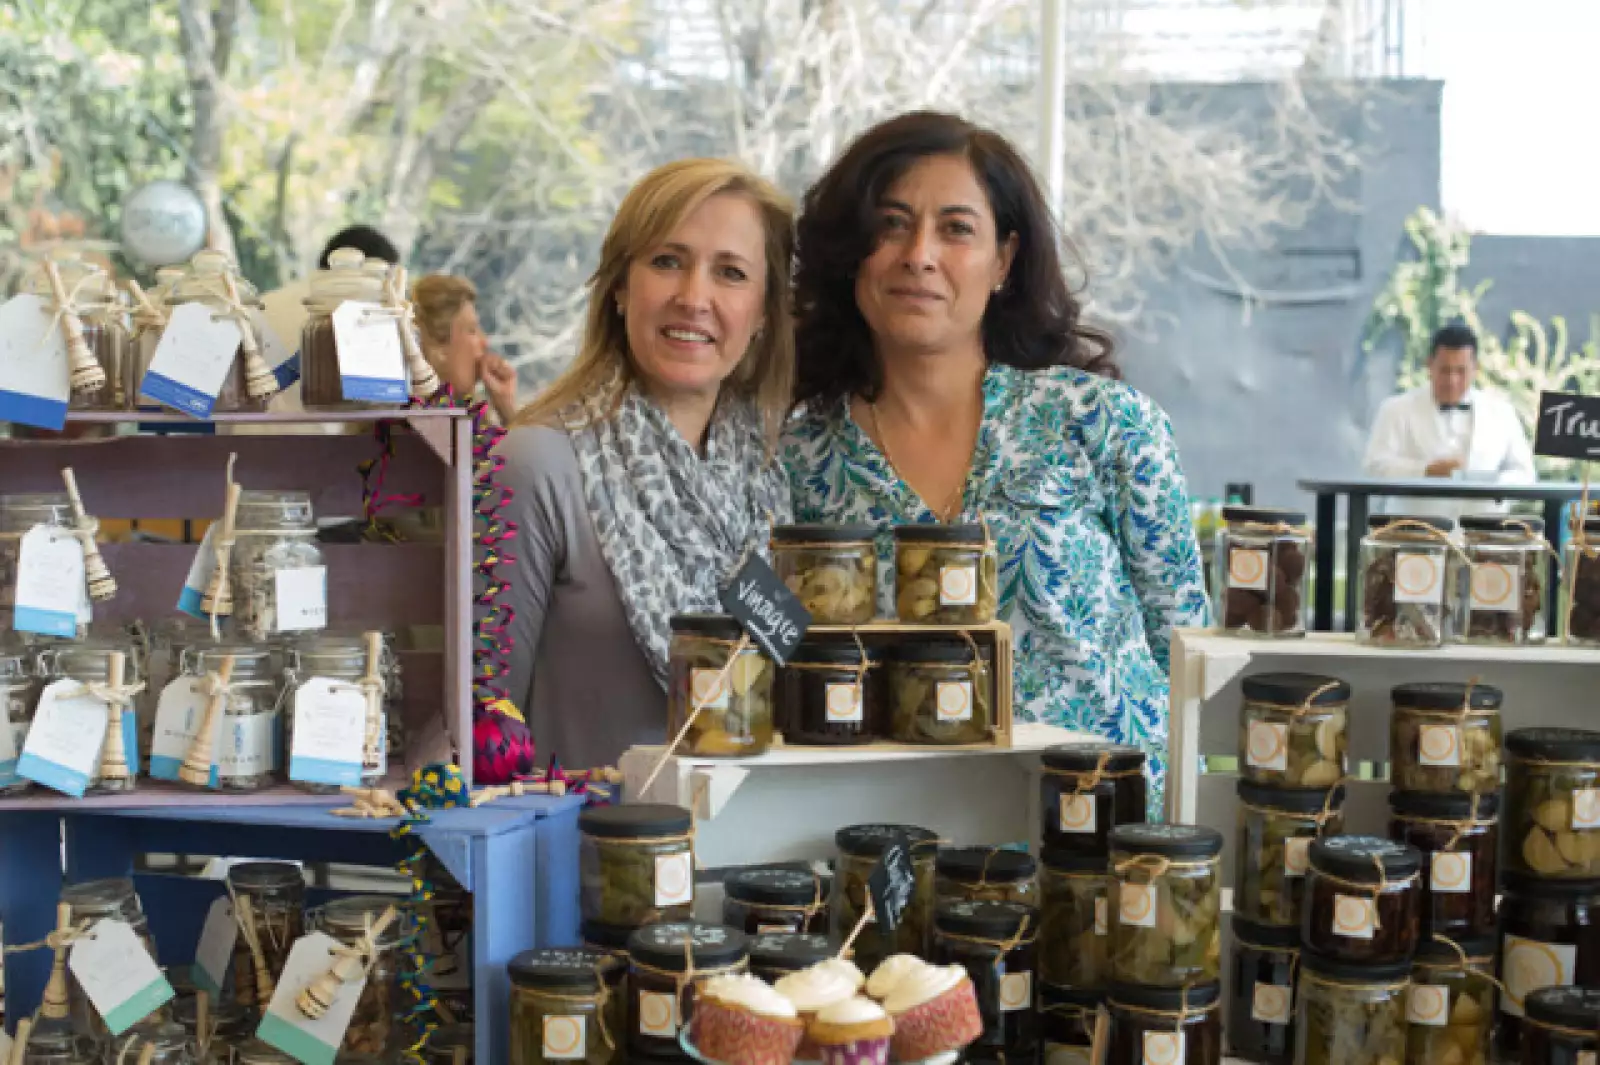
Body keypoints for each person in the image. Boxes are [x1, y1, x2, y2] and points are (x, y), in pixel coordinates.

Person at [782, 111, 1210, 797]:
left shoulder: (1103, 424)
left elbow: (1191, 657)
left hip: (1113, 847)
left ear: (1004, 260)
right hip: (901, 851)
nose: (918, 253)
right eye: (891, 223)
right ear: (853, 252)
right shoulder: (798, 462)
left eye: (956, 228)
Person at [498, 159, 795, 770]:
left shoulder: (771, 477)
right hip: (587, 856)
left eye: (731, 273)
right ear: (619, 287)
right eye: (666, 261)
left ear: (763, 313)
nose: (694, 298)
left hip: (755, 857)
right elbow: (481, 728)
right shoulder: (536, 464)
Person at [1363, 323, 1536, 518]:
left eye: (1461, 371)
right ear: (1429, 365)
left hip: (1484, 533)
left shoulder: (1502, 411)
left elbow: (1524, 472)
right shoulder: (1395, 409)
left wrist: (1495, 484)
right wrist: (1425, 470)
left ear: (1475, 369)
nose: (1452, 380)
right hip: (1413, 532)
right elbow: (1375, 466)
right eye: (1445, 370)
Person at [410, 274, 519, 423]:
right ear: (438, 347)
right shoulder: (412, 424)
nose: (484, 342)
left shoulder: (470, 419)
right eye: (472, 330)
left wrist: (506, 406)